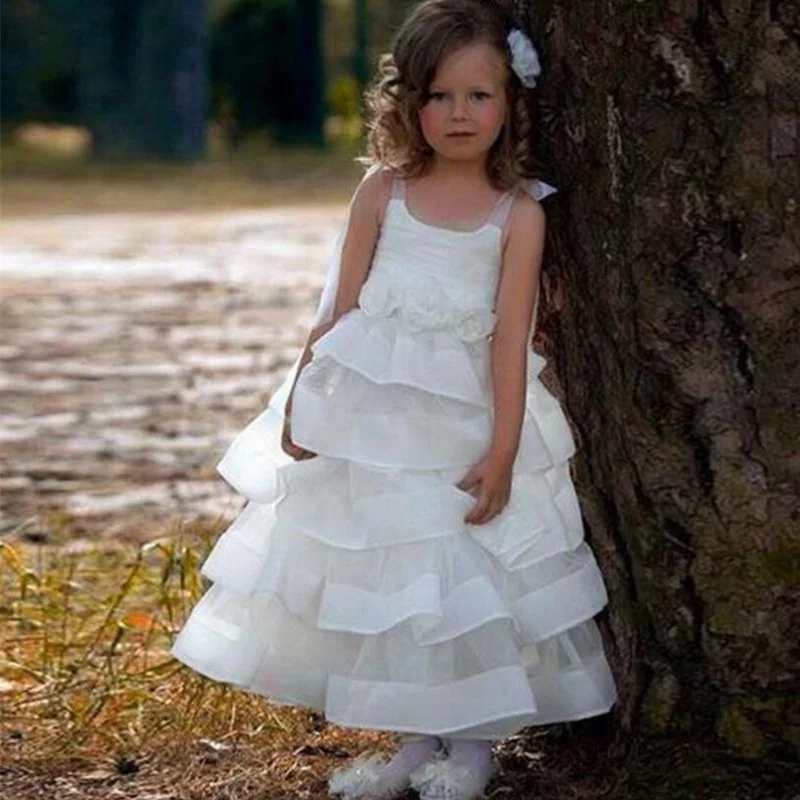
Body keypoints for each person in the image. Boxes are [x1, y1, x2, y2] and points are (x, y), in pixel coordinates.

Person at [170, 1, 618, 798]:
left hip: (463, 426)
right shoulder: (384, 192)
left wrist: (504, 450)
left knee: (467, 582)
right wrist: (303, 407)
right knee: (394, 580)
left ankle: (473, 748)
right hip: (375, 428)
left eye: (479, 95)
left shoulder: (517, 215)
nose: (458, 113)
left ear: (510, 104)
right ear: (409, 103)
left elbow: (510, 339)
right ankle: (416, 743)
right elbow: (336, 312)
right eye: (439, 95)